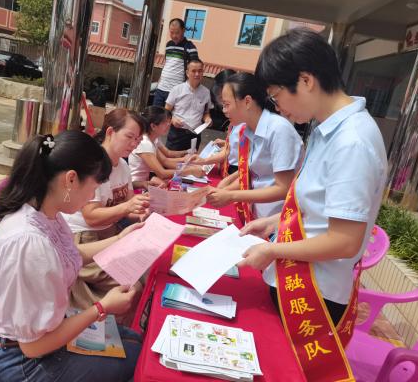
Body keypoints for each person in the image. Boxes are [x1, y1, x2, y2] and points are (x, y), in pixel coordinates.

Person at [238, 28, 387, 381]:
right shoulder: (326, 131)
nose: (278, 108)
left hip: (314, 295)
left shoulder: (352, 142)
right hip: (295, 279)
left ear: (305, 81)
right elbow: (317, 210)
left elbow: (344, 241)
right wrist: (273, 224)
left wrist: (272, 250)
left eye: (277, 96)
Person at [0, 131, 142, 381]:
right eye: (93, 188)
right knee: (137, 359)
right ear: (71, 179)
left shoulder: (44, 212)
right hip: (17, 361)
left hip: (37, 337)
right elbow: (33, 347)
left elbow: (70, 253)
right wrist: (101, 307)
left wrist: (121, 239)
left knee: (136, 342)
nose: (91, 198)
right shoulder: (29, 243)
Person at [63, 108, 150, 311]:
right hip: (85, 237)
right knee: (132, 284)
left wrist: (141, 211)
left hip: (109, 233)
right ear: (110, 132)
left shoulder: (123, 166)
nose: (134, 144)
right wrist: (127, 207)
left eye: (138, 140)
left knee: (147, 268)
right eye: (129, 137)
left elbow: (128, 204)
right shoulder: (93, 165)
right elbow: (91, 217)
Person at [207, 72, 303, 225]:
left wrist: (231, 196)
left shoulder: (278, 130)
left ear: (247, 102)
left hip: (277, 224)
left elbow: (283, 189)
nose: (224, 110)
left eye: (227, 104)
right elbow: (251, 174)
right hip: (257, 217)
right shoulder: (247, 131)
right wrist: (225, 190)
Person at [129, 106, 205, 187]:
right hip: (136, 185)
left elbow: (165, 161)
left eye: (169, 121)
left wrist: (188, 163)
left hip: (145, 181)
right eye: (165, 122)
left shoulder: (152, 139)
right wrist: (190, 170)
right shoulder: (145, 143)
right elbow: (162, 173)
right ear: (153, 126)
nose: (169, 125)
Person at [165, 58, 213, 151]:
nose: (197, 74)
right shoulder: (177, 89)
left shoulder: (206, 92)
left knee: (191, 159)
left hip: (195, 134)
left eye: (200, 71)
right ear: (187, 73)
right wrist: (173, 119)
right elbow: (166, 110)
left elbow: (206, 112)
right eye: (193, 71)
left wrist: (208, 119)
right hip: (177, 133)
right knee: (171, 158)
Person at [153, 18, 199, 107]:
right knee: (156, 113)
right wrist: (159, 80)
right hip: (161, 88)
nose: (174, 35)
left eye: (177, 32)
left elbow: (195, 69)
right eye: (171, 32)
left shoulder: (190, 47)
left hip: (176, 91)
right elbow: (167, 64)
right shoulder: (168, 45)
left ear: (183, 30)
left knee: (170, 115)